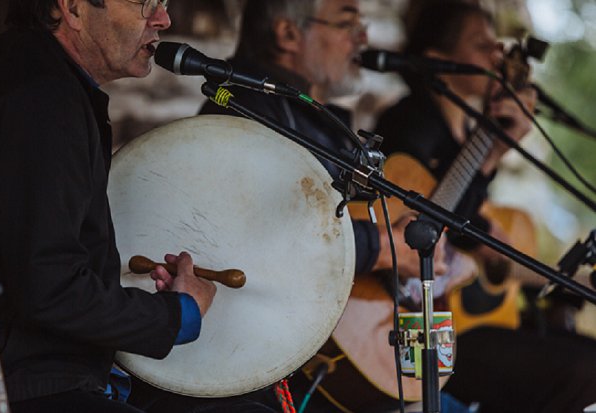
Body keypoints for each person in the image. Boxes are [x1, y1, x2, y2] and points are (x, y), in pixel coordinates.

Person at [127, 1, 463, 412]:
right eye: (346, 22)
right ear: (287, 34)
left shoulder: (315, 119)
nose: (362, 36)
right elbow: (262, 239)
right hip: (253, 362)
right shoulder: (243, 110)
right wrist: (378, 244)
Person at [0, 0, 217, 412]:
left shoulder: (32, 74)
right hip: (32, 387)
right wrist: (176, 315)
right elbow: (49, 287)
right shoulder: (43, 99)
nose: (164, 19)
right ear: (72, 9)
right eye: (145, 4)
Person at [374, 1, 596, 412]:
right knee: (583, 370)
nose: (497, 53)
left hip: (456, 316)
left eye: (497, 43)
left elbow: (466, 224)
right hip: (413, 320)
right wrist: (491, 153)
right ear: (439, 62)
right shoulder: (412, 121)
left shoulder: (461, 135)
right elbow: (426, 213)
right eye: (481, 44)